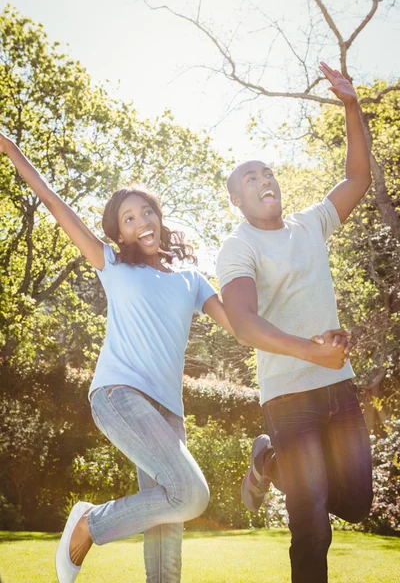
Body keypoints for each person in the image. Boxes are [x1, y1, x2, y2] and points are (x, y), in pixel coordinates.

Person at [0, 131, 234, 583]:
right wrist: (11, 151)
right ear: (119, 231)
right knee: (191, 495)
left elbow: (241, 325)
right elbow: (52, 202)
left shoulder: (191, 279)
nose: (142, 220)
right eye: (129, 217)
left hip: (169, 412)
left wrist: (304, 339)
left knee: (168, 526)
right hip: (119, 394)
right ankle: (91, 523)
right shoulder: (113, 264)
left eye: (147, 210)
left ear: (159, 216)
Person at [215, 62, 373, 583]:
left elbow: (357, 177)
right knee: (312, 527)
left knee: (354, 502)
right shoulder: (238, 246)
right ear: (236, 200)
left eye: (268, 172)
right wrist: (312, 351)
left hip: (338, 386)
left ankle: (269, 460)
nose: (264, 180)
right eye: (250, 178)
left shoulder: (311, 223)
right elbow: (241, 322)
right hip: (289, 397)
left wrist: (351, 104)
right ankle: (276, 453)